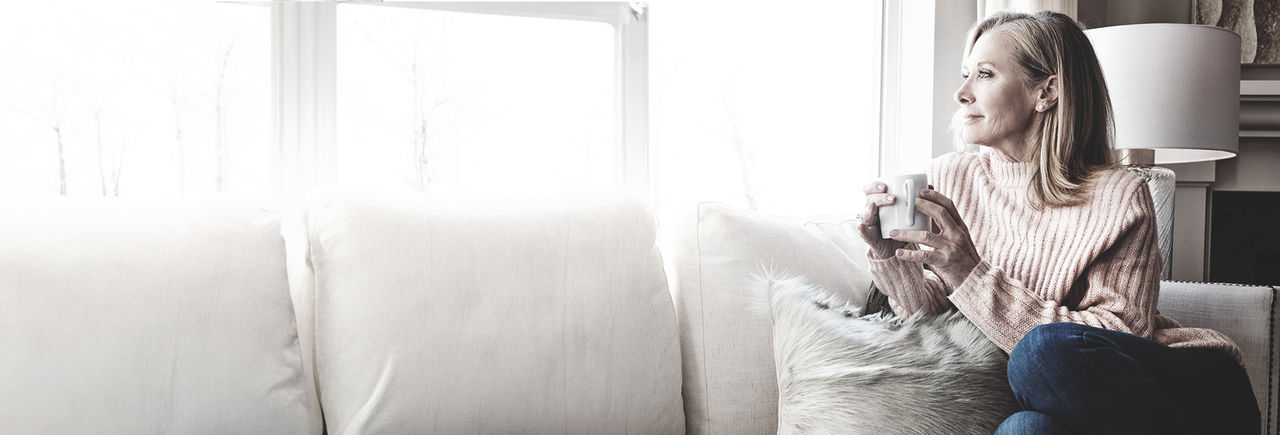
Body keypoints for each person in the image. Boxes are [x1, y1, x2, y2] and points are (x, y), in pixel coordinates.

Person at [856, 10, 1259, 434]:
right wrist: (890, 258)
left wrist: (969, 273)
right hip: (1067, 403)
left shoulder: (1117, 194)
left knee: (1039, 353)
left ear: (1046, 92)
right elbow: (944, 325)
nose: (961, 93)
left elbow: (1119, 334)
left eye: (985, 74)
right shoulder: (948, 177)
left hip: (1185, 391)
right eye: (965, 74)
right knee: (1023, 429)